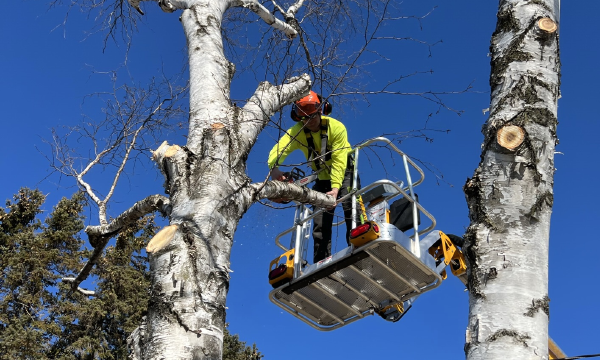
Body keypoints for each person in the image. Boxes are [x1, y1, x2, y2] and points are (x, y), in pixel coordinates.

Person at [267, 90, 360, 263]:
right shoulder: (297, 132)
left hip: (345, 173)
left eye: (311, 116)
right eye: (303, 118)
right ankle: (321, 262)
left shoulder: (336, 128)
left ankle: (358, 247)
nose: (308, 121)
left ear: (321, 110)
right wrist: (274, 169)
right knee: (319, 220)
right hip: (322, 178)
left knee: (350, 206)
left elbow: (340, 161)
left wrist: (335, 189)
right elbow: (279, 149)